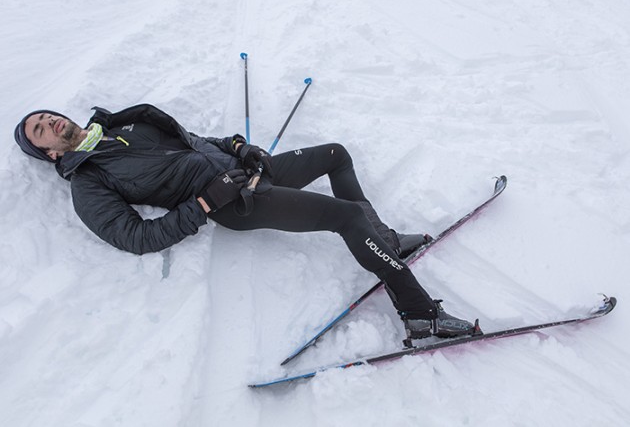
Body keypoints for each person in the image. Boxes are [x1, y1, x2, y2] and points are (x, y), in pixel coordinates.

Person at [14, 103, 475, 340]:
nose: (50, 121)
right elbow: (135, 237)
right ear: (50, 153)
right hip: (238, 203)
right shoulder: (88, 181)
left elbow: (194, 139)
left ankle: (385, 241)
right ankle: (419, 316)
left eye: (47, 115)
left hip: (250, 170)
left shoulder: (123, 126)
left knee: (336, 153)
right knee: (348, 216)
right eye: (39, 129)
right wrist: (205, 204)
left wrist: (238, 146)